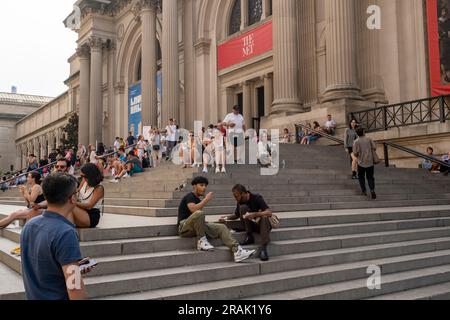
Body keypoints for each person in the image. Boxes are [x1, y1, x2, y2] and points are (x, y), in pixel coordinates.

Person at [20, 173, 91, 300]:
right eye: (76, 193)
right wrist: (73, 268)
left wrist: (72, 264)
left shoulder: (30, 225)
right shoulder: (65, 233)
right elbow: (74, 287)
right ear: (72, 198)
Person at [178, 177, 255, 262]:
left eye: (205, 185)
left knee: (221, 227)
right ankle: (201, 241)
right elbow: (193, 210)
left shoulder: (197, 199)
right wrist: (206, 199)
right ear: (194, 186)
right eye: (201, 185)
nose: (204, 188)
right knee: (199, 213)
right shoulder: (190, 196)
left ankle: (237, 251)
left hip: (194, 228)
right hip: (184, 227)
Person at [220, 185, 273, 261]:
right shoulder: (240, 202)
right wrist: (226, 218)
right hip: (249, 226)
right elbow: (236, 215)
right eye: (235, 197)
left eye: (236, 196)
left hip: (262, 225)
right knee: (242, 208)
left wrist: (254, 214)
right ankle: (249, 236)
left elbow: (269, 212)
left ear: (243, 193)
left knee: (264, 218)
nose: (236, 199)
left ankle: (263, 247)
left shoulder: (257, 197)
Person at [70, 163, 104, 228]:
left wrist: (73, 203)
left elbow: (89, 206)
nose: (83, 178)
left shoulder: (99, 188)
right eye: (81, 176)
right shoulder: (84, 180)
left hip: (91, 215)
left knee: (68, 206)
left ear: (91, 175)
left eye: (85, 176)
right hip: (81, 210)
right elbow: (77, 191)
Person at [353, 127, 377, 200]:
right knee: (370, 177)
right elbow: (374, 147)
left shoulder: (356, 141)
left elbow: (355, 153)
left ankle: (364, 190)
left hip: (361, 162)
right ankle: (372, 190)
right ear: (363, 132)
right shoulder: (369, 139)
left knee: (361, 177)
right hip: (370, 161)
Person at [439, 7, 450, 83]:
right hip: (442, 42)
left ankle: (447, 75)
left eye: (445, 11)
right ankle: (444, 74)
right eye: (443, 11)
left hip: (448, 41)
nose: (444, 13)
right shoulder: (438, 22)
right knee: (443, 58)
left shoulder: (448, 21)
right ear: (441, 12)